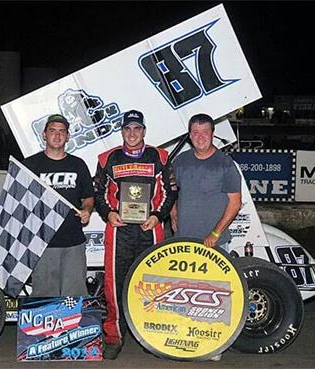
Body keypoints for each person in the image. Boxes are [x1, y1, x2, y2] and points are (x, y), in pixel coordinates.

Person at [94, 110, 177, 359]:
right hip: (119, 229)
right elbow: (98, 192)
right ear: (122, 131)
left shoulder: (160, 156)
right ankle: (114, 336)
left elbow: (170, 191)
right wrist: (108, 213)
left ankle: (150, 335)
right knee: (114, 283)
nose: (132, 133)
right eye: (127, 129)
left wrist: (157, 216)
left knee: (152, 283)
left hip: (149, 228)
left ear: (144, 131)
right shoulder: (107, 158)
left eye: (137, 129)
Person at [170, 113, 242, 361]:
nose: (200, 137)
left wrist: (215, 233)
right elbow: (172, 193)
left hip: (215, 242)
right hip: (184, 241)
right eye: (195, 132)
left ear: (213, 134)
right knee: (186, 293)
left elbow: (235, 204)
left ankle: (216, 346)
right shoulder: (180, 162)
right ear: (190, 136)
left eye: (205, 132)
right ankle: (187, 340)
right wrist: (173, 213)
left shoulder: (225, 164)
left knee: (214, 296)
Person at [23, 114, 94, 297]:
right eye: (52, 131)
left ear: (68, 136)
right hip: (42, 243)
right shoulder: (30, 165)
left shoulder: (78, 164)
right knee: (44, 297)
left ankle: (72, 327)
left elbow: (88, 197)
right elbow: (20, 203)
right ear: (44, 134)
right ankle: (45, 326)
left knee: (75, 296)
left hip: (73, 243)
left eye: (62, 131)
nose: (57, 135)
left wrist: (87, 210)